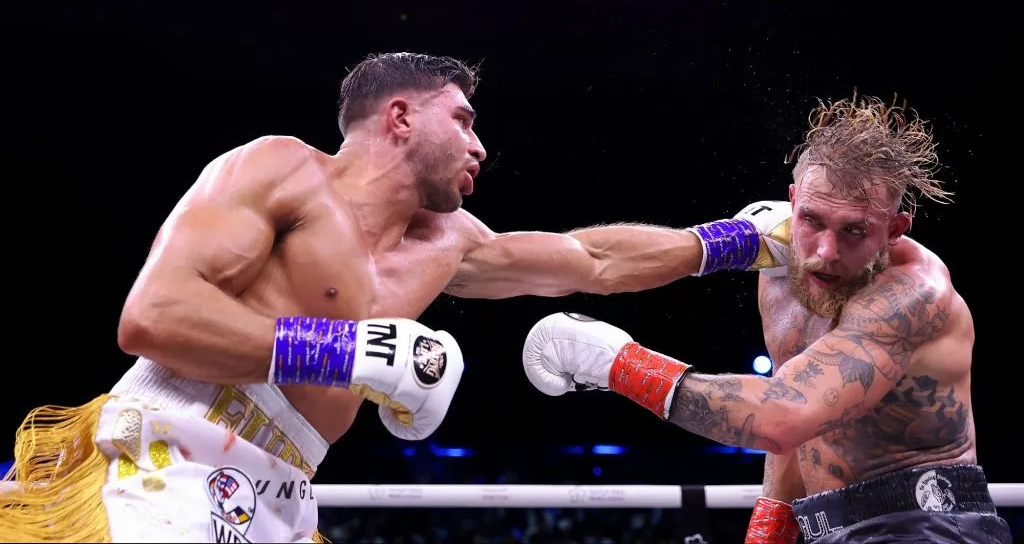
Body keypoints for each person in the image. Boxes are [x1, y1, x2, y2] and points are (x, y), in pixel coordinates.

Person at [0, 50, 750, 543]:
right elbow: (152, 317)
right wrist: (343, 349)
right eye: (463, 120)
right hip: (170, 455)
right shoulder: (281, 170)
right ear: (399, 116)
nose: (480, 146)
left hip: (284, 493)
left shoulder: (453, 242)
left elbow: (594, 260)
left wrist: (735, 241)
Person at [522, 95, 1012, 543]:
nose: (825, 253)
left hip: (928, 525)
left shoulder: (912, 296)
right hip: (830, 527)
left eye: (855, 231)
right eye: (812, 221)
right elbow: (795, 426)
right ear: (793, 202)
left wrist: (618, 364)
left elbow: (782, 415)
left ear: (894, 229)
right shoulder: (780, 266)